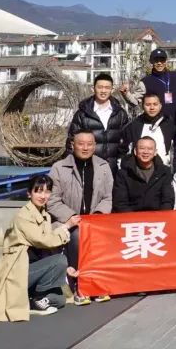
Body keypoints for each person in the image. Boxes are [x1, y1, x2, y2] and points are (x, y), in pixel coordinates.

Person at [0, 174, 79, 321]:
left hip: (33, 271)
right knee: (60, 260)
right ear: (29, 193)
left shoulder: (44, 215)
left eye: (47, 191)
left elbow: (47, 246)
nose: (43, 196)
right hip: (17, 271)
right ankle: (37, 298)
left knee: (60, 300)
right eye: (38, 191)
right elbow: (43, 241)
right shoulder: (23, 216)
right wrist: (66, 226)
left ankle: (31, 299)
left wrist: (65, 269)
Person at [47, 130, 113, 306]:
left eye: (90, 144)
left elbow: (108, 197)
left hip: (95, 221)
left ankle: (97, 281)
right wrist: (71, 217)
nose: (85, 148)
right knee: (77, 235)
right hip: (66, 222)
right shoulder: (59, 168)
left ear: (95, 146)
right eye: (81, 144)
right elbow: (52, 200)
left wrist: (98, 215)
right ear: (72, 145)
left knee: (103, 236)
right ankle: (79, 283)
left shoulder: (103, 166)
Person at [67, 72, 131, 171]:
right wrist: (70, 167)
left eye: (107, 88)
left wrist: (122, 163)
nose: (103, 91)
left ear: (112, 89)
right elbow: (72, 141)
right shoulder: (82, 114)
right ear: (93, 88)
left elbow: (126, 141)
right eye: (100, 87)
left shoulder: (120, 113)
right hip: (88, 167)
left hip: (113, 169)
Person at [112, 136, 176, 212]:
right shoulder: (123, 174)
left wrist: (160, 217)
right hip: (131, 217)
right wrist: (135, 218)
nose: (146, 152)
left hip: (158, 216)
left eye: (150, 149)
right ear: (135, 151)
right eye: (142, 148)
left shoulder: (164, 172)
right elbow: (120, 203)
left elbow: (168, 201)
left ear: (155, 152)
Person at [120, 48, 176, 122]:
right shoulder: (145, 82)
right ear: (151, 62)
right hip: (157, 123)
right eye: (156, 60)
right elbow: (135, 102)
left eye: (162, 60)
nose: (159, 63)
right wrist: (126, 93)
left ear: (166, 61)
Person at [120, 92, 175, 168]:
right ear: (143, 106)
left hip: (163, 170)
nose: (152, 108)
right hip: (138, 170)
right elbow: (123, 150)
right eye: (148, 104)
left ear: (160, 106)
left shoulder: (169, 125)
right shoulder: (134, 126)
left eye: (155, 104)